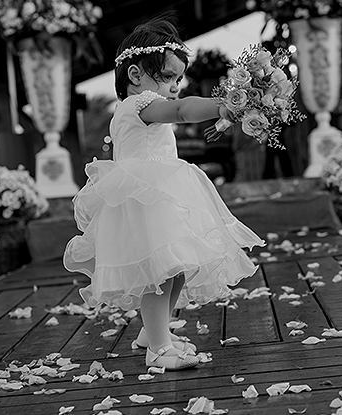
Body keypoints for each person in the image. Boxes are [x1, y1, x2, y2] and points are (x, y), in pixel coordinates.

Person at [63, 16, 265, 370]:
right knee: (159, 274)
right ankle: (157, 348)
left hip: (162, 195)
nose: (175, 86)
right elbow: (183, 109)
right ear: (136, 76)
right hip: (147, 198)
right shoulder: (139, 105)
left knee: (175, 268)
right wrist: (222, 106)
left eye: (178, 78)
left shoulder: (143, 105)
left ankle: (153, 332)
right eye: (168, 77)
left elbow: (176, 107)